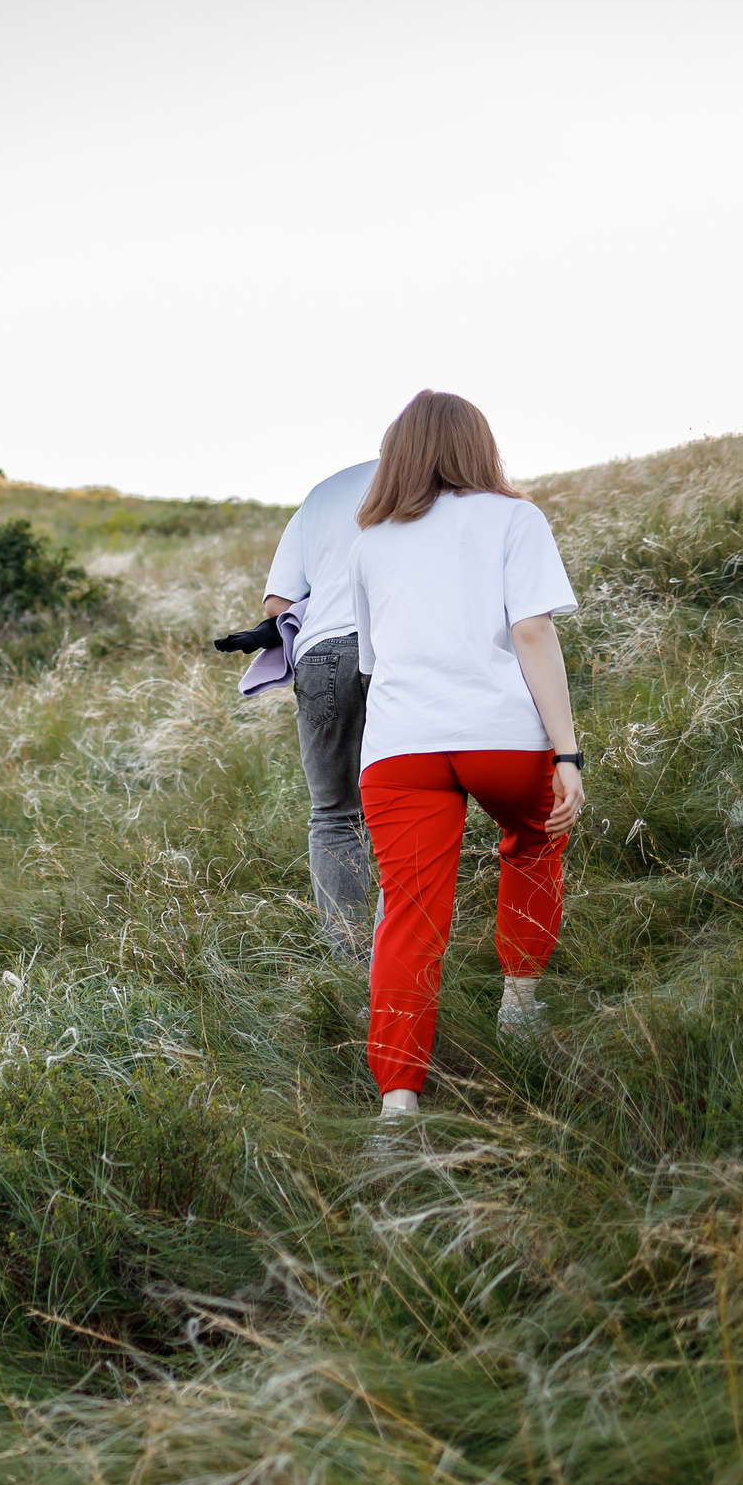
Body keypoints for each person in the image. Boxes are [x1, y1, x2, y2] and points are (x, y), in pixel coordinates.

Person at [348, 392, 584, 1122]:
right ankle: (518, 1007)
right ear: (479, 445)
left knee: (409, 918)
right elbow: (534, 633)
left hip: (398, 748)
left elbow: (372, 659)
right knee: (536, 838)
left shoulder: (369, 541)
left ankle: (397, 1105)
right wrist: (567, 752)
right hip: (501, 736)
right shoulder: (515, 518)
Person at [261, 458, 379, 957]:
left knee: (334, 815)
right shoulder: (443, 479)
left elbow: (277, 603)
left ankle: (350, 966)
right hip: (398, 643)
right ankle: (407, 957)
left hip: (323, 652)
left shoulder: (322, 493)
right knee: (419, 801)